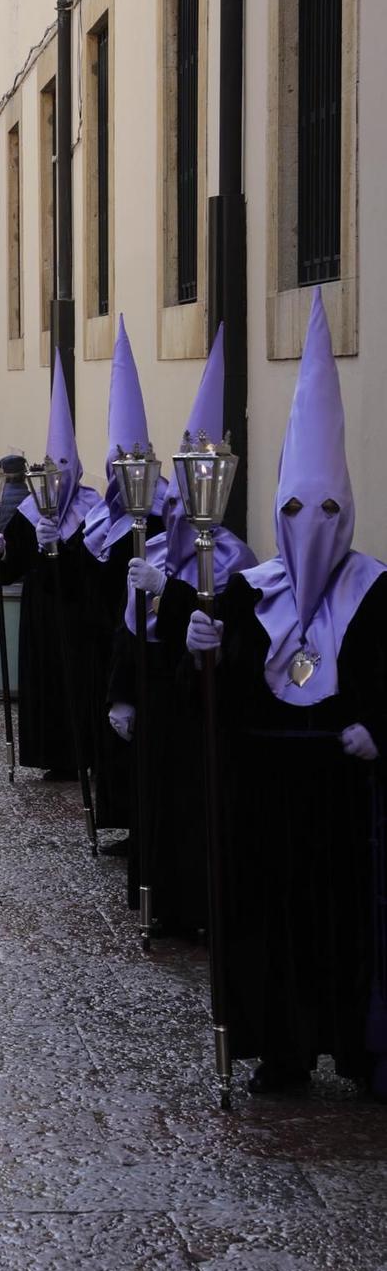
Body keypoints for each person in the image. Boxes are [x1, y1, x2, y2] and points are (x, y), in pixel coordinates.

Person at [184, 291, 386, 1097]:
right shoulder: (243, 593)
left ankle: (361, 1046)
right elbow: (214, 697)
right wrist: (199, 654)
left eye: (327, 509)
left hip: (344, 796)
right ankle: (281, 1050)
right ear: (275, 509)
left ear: (349, 511)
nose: (311, 523)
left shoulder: (376, 594)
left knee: (349, 922)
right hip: (264, 795)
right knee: (270, 923)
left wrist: (380, 727)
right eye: (294, 509)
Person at [109, 328, 255, 932]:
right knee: (157, 802)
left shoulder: (236, 558)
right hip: (158, 706)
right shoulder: (156, 550)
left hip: (200, 710)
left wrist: (164, 592)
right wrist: (120, 693)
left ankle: (195, 905)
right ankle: (157, 895)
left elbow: (222, 628)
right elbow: (131, 633)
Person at [0, 353, 99, 777]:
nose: (60, 480)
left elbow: (95, 569)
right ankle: (49, 755)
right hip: (40, 614)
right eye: (53, 470)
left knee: (77, 680)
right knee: (45, 683)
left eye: (66, 470)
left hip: (77, 615)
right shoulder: (31, 512)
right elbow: (9, 571)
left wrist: (64, 550)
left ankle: (83, 753)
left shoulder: (93, 511)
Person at [80, 320, 164, 843]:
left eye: (130, 464)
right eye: (114, 465)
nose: (120, 474)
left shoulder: (161, 520)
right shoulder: (94, 518)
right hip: (101, 644)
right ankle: (116, 819)